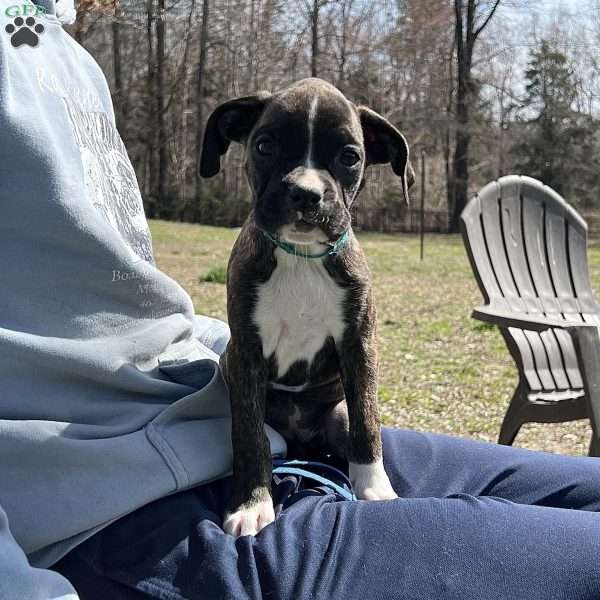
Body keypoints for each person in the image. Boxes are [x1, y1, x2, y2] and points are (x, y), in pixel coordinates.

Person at [2, 1, 600, 598]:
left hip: (275, 416)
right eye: (271, 151)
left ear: (374, 157)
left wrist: (367, 463)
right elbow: (247, 357)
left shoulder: (65, 51)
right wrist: (252, 480)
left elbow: (353, 356)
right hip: (153, 492)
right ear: (237, 139)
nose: (306, 183)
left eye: (343, 160)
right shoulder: (18, 51)